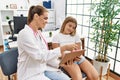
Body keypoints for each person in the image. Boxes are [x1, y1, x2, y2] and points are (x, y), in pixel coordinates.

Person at [17, 5, 79, 80]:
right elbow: (40, 56)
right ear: (36, 16)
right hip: (29, 75)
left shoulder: (38, 34)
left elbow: (46, 53)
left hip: (41, 70)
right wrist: (63, 48)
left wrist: (61, 63)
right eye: (45, 18)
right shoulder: (24, 34)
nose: (47, 21)